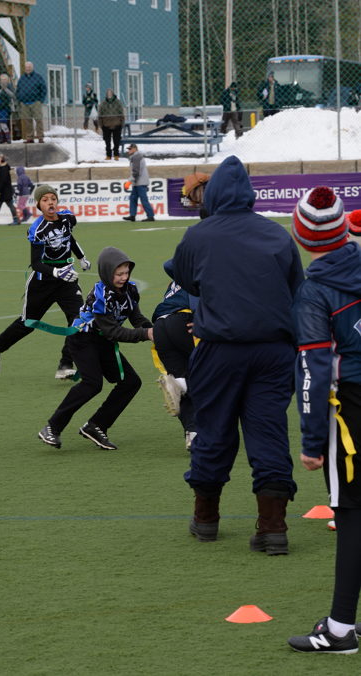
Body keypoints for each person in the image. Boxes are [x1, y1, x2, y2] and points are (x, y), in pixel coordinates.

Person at [171, 155, 304, 551]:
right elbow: (296, 289)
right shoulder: (277, 234)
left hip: (220, 349)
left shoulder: (198, 235)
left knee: (214, 429)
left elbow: (184, 277)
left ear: (212, 196)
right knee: (269, 432)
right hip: (273, 350)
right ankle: (273, 526)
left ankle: (206, 518)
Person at [287, 187, 361, 654]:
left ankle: (339, 630)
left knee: (352, 514)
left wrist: (312, 443)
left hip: (350, 411)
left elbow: (313, 369)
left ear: (301, 237)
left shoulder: (314, 291)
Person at [38, 246, 154, 451]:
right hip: (83, 340)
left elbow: (136, 317)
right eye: (119, 274)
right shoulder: (100, 295)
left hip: (103, 341)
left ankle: (96, 426)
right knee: (92, 384)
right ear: (107, 272)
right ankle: (52, 427)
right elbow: (113, 332)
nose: (124, 278)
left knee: (131, 382)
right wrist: (146, 334)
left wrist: (155, 330)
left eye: (126, 273)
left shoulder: (130, 290)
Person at [0, 184, 91, 379]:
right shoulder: (37, 229)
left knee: (79, 319)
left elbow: (69, 238)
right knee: (28, 323)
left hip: (66, 280)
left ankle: (65, 364)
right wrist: (57, 272)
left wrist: (81, 257)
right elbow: (36, 263)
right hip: (43, 282)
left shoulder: (67, 217)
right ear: (39, 205)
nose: (50, 202)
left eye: (53, 198)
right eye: (45, 200)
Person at [152, 259, 198, 450]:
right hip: (184, 322)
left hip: (160, 327)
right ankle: (181, 384)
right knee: (215, 372)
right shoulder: (209, 270)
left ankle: (193, 434)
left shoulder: (182, 273)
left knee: (181, 374)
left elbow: (168, 264)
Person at [122, 143, 155, 222]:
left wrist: (129, 181)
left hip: (140, 182)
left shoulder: (136, 157)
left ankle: (150, 216)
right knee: (133, 198)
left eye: (130, 149)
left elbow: (136, 172)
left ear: (134, 149)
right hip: (137, 182)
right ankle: (132, 215)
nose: (128, 150)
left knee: (143, 200)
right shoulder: (136, 156)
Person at [16, 61, 47, 143]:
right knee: (28, 121)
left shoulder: (38, 77)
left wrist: (40, 100)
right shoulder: (22, 78)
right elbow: (18, 89)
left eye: (29, 67)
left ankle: (40, 137)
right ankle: (30, 138)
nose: (28, 69)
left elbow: (43, 89)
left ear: (32, 68)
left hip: (35, 102)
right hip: (25, 103)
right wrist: (20, 99)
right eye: (26, 67)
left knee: (38, 120)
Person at [98, 88, 125, 160]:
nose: (109, 94)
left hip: (117, 124)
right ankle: (108, 155)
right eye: (108, 93)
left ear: (113, 94)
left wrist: (121, 123)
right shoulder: (103, 103)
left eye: (110, 93)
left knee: (116, 141)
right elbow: (100, 114)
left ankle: (116, 154)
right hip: (106, 125)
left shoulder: (118, 102)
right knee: (107, 141)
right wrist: (101, 124)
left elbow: (121, 113)